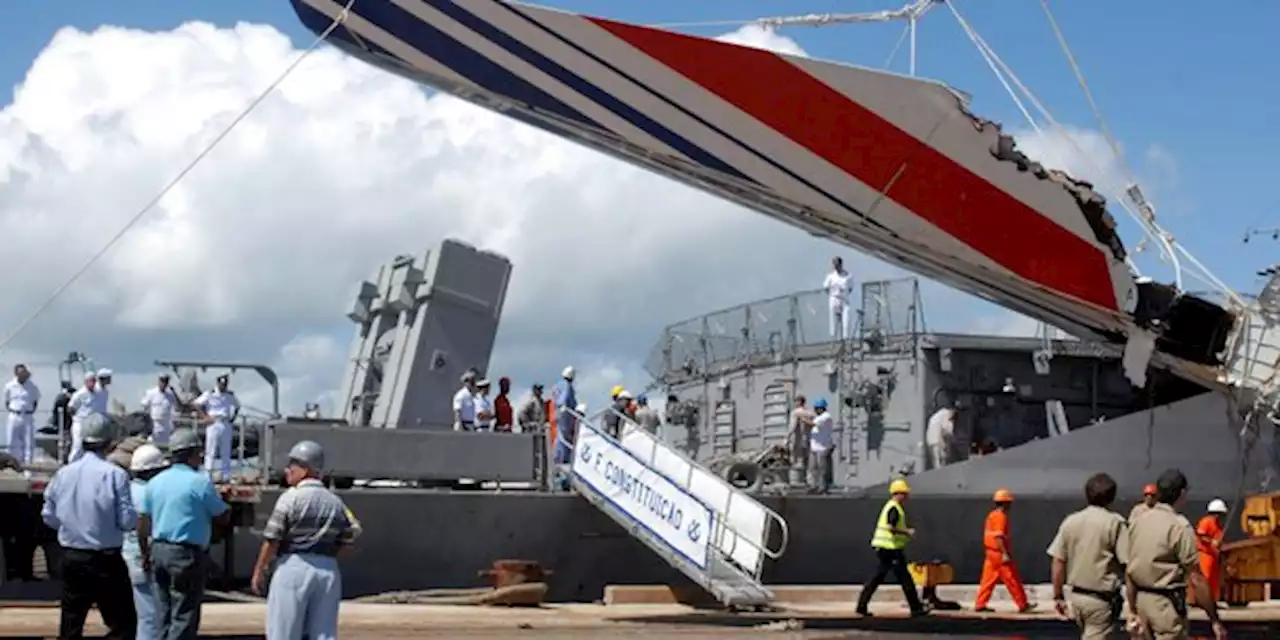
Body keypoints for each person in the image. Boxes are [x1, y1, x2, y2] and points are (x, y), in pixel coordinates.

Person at [40, 413, 138, 640]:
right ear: (109, 443)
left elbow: (49, 516)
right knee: (123, 624)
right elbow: (126, 521)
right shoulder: (116, 475)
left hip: (72, 556)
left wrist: (72, 527)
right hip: (106, 559)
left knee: (71, 624)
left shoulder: (63, 474)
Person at [252, 441, 361, 640]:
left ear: (305, 469)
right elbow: (349, 540)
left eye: (292, 465)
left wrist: (259, 570)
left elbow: (272, 539)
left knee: (283, 632)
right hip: (328, 571)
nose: (287, 470)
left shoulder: (290, 498)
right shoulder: (336, 502)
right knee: (324, 633)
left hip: (293, 567)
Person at [138, 428, 231, 640]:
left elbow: (143, 522)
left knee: (163, 612)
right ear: (191, 454)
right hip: (186, 554)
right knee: (184, 614)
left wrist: (145, 553)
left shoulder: (155, 482)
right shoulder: (200, 482)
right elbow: (222, 514)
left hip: (158, 551)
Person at [1125, 468, 1226, 640]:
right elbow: (1196, 578)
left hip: (1141, 602)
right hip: (1166, 606)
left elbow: (1131, 568)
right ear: (1182, 493)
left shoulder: (1138, 522)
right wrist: (1215, 619)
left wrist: (1132, 608)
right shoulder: (1179, 526)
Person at [1047, 472, 1129, 639]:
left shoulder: (1071, 521)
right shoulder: (1115, 523)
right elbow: (1128, 563)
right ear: (1112, 497)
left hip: (1077, 598)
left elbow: (1058, 561)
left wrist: (1058, 596)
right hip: (1101, 600)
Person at [855, 478, 927, 617]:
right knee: (904, 578)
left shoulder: (892, 506)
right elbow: (890, 527)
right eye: (904, 493)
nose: (906, 496)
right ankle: (916, 608)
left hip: (886, 548)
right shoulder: (894, 508)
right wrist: (907, 532)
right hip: (890, 548)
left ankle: (861, 606)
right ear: (897, 493)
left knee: (877, 578)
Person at [123, 444, 169, 640]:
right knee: (152, 617)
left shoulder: (128, 489)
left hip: (124, 555)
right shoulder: (151, 492)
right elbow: (146, 526)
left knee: (136, 615)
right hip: (143, 558)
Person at [973, 489, 1034, 613]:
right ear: (1005, 503)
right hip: (998, 553)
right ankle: (1022, 604)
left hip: (990, 552)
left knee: (988, 580)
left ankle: (980, 604)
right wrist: (1005, 553)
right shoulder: (1001, 517)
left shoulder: (992, 515)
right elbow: (999, 537)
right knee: (1012, 578)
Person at [193, 374, 240, 482]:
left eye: (225, 384)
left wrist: (232, 418)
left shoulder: (229, 395)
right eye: (222, 384)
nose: (223, 386)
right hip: (213, 422)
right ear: (218, 383)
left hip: (225, 422)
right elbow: (196, 404)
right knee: (211, 449)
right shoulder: (210, 394)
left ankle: (226, 476)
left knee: (226, 450)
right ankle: (207, 475)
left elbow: (237, 406)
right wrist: (205, 417)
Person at [4, 363, 40, 467]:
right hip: (14, 415)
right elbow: (6, 401)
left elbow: (35, 401)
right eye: (20, 373)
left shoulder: (32, 386)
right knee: (11, 440)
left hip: (27, 416)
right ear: (16, 373)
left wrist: (29, 411)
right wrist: (14, 410)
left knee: (28, 441)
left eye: (24, 372)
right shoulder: (9, 386)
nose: (22, 374)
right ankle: (11, 463)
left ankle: (27, 465)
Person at [67, 371, 109, 462]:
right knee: (77, 446)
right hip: (80, 422)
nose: (92, 383)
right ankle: (71, 463)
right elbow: (71, 407)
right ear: (86, 381)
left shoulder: (99, 392)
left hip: (92, 423)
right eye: (90, 381)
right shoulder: (79, 394)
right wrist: (77, 417)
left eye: (94, 381)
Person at [1196, 498, 1229, 604]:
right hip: (1205, 555)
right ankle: (1203, 601)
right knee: (1206, 579)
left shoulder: (1217, 524)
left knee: (1214, 581)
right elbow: (1201, 535)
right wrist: (1212, 542)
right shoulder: (1206, 521)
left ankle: (1213, 601)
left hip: (1214, 556)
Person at [140, 373, 181, 447]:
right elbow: (144, 406)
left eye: (166, 381)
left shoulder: (170, 394)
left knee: (165, 446)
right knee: (152, 446)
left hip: (166, 426)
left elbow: (177, 406)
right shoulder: (151, 393)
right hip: (154, 425)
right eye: (162, 381)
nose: (163, 383)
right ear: (158, 381)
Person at [823, 256, 854, 340]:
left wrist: (844, 294)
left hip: (844, 299)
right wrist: (832, 294)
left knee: (846, 319)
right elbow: (826, 287)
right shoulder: (830, 276)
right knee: (833, 320)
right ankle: (833, 337)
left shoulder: (848, 276)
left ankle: (845, 337)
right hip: (834, 299)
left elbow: (850, 288)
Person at [808, 398, 835, 493]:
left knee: (822, 469)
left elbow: (811, 424)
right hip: (815, 447)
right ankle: (814, 485)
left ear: (821, 408)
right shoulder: (818, 417)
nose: (815, 410)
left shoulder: (826, 416)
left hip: (823, 447)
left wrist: (801, 418)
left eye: (816, 408)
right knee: (812, 468)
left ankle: (823, 487)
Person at [553, 366, 577, 465]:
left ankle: (558, 456)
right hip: (566, 415)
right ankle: (563, 458)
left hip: (558, 413)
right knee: (565, 436)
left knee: (560, 435)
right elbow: (565, 399)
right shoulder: (567, 386)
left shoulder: (557, 385)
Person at [789, 395, 815, 485]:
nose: (795, 403)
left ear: (799, 402)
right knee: (808, 462)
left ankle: (797, 481)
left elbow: (793, 426)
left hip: (798, 440)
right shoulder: (810, 413)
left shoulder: (795, 413)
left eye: (796, 401)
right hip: (808, 440)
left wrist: (787, 437)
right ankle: (809, 481)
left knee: (797, 461)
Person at [924, 403, 956, 469]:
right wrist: (952, 436)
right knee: (941, 460)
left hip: (931, 439)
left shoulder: (938, 414)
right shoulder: (946, 414)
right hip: (937, 439)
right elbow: (946, 428)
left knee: (936, 460)